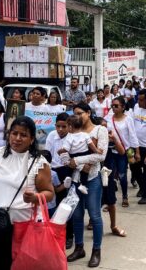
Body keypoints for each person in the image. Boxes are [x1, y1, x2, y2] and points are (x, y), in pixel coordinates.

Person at [0, 116, 54, 270]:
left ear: (32, 139)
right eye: (14, 133)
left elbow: (50, 192)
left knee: (18, 265)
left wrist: (35, 197)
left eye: (23, 135)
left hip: (22, 227)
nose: (17, 138)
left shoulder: (39, 163)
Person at [67, 103, 108, 268]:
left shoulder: (100, 130)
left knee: (95, 215)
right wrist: (76, 164)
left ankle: (96, 251)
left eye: (80, 113)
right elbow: (67, 156)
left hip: (92, 178)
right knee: (76, 216)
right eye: (74, 114)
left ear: (89, 113)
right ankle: (79, 248)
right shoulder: (73, 132)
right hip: (76, 178)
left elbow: (101, 155)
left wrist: (77, 160)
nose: (77, 117)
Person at [45, 112, 74, 249]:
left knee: (67, 204)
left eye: (64, 126)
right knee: (54, 204)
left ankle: (69, 236)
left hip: (67, 170)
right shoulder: (51, 136)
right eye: (58, 126)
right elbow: (47, 154)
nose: (60, 129)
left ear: (69, 126)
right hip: (54, 170)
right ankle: (55, 233)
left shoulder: (73, 137)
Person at [105, 97, 140, 207]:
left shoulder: (128, 119)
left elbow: (133, 136)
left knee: (122, 175)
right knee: (109, 176)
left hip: (123, 153)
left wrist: (137, 151)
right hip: (110, 151)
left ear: (123, 107)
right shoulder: (107, 118)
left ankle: (125, 196)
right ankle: (110, 201)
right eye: (112, 105)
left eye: (116, 106)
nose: (113, 108)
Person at [58, 115, 103, 195]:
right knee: (85, 172)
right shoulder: (85, 135)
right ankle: (83, 185)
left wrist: (60, 151)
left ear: (71, 127)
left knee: (70, 168)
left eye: (67, 126)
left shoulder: (69, 137)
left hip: (74, 156)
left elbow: (66, 149)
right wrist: (97, 150)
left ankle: (68, 177)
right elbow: (91, 145)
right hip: (85, 155)